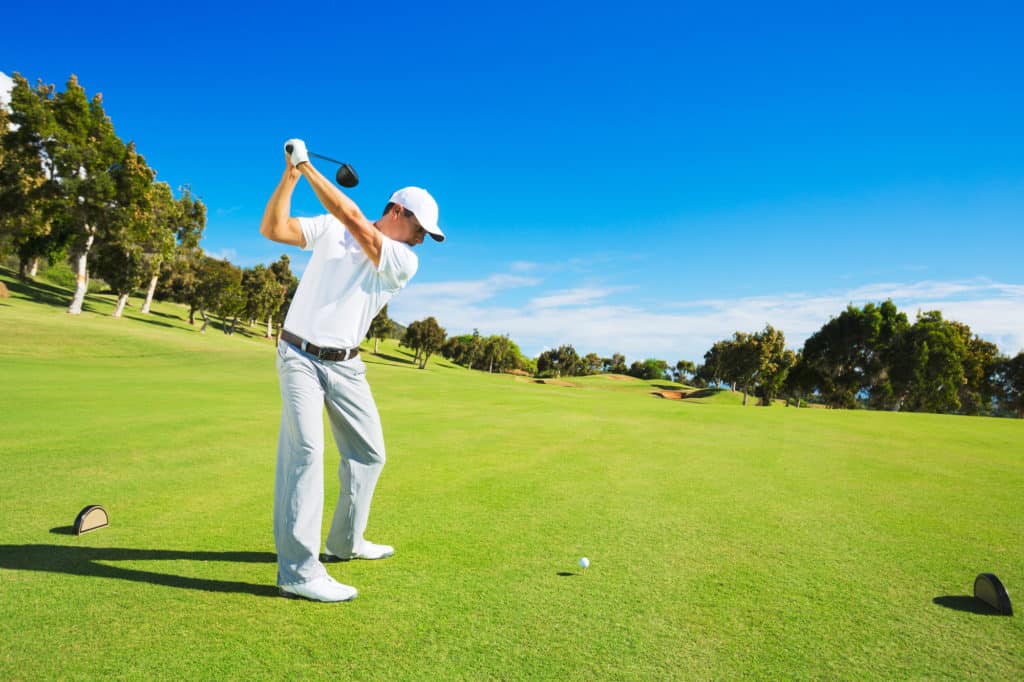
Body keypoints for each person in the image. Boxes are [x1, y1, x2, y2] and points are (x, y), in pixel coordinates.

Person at [260, 138, 445, 602]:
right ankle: (299, 573)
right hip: (299, 356)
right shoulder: (330, 229)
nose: (424, 238)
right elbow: (274, 228)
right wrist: (291, 174)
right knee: (305, 454)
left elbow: (355, 221)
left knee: (370, 454)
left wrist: (308, 166)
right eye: (421, 228)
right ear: (398, 211)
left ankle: (345, 542)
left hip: (347, 367)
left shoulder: (404, 259)